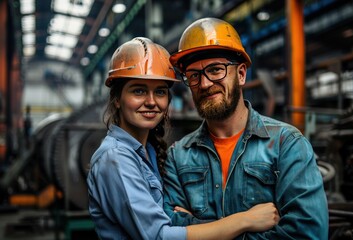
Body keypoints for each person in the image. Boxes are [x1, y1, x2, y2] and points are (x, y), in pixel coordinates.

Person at [86, 37, 279, 240]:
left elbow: (172, 222)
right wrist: (245, 220)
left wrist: (191, 222)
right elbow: (159, 236)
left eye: (160, 92)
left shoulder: (146, 152)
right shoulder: (116, 158)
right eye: (139, 91)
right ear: (117, 99)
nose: (151, 102)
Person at [163, 17, 329, 239]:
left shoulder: (286, 144)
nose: (204, 84)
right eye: (194, 76)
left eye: (215, 70)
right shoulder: (178, 156)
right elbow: (170, 233)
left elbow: (308, 234)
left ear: (241, 74)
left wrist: (198, 228)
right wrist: (244, 222)